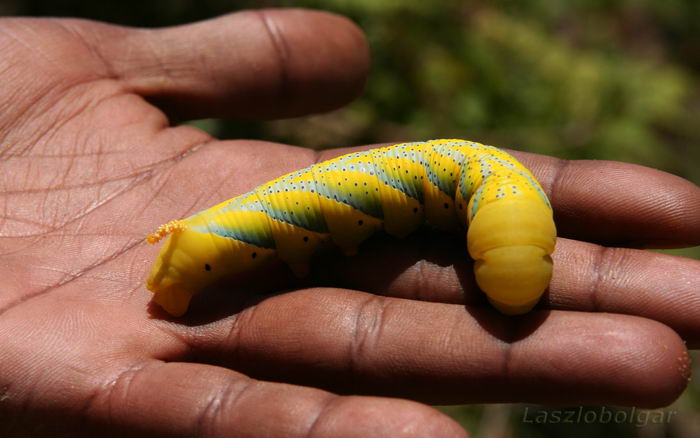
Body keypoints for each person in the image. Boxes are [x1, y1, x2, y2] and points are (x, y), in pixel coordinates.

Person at [0, 9, 698, 438]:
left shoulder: (469, 178)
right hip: (217, 244)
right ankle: (188, 259)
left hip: (231, 235)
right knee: (270, 225)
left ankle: (193, 255)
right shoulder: (481, 179)